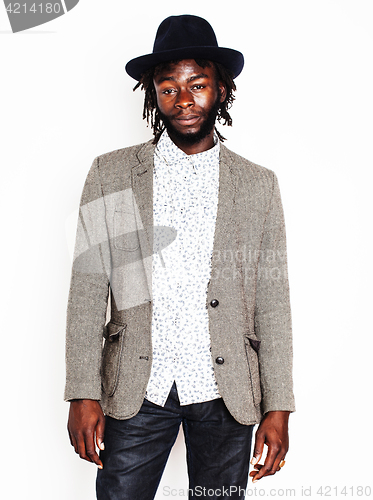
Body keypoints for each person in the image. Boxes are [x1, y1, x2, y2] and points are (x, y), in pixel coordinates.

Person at [65, 14, 295, 500]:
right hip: (136, 388)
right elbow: (88, 292)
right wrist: (83, 392)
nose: (184, 100)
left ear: (222, 89)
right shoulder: (113, 175)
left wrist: (279, 406)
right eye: (168, 88)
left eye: (197, 85)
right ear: (153, 95)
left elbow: (273, 303)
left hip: (226, 391)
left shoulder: (257, 186)